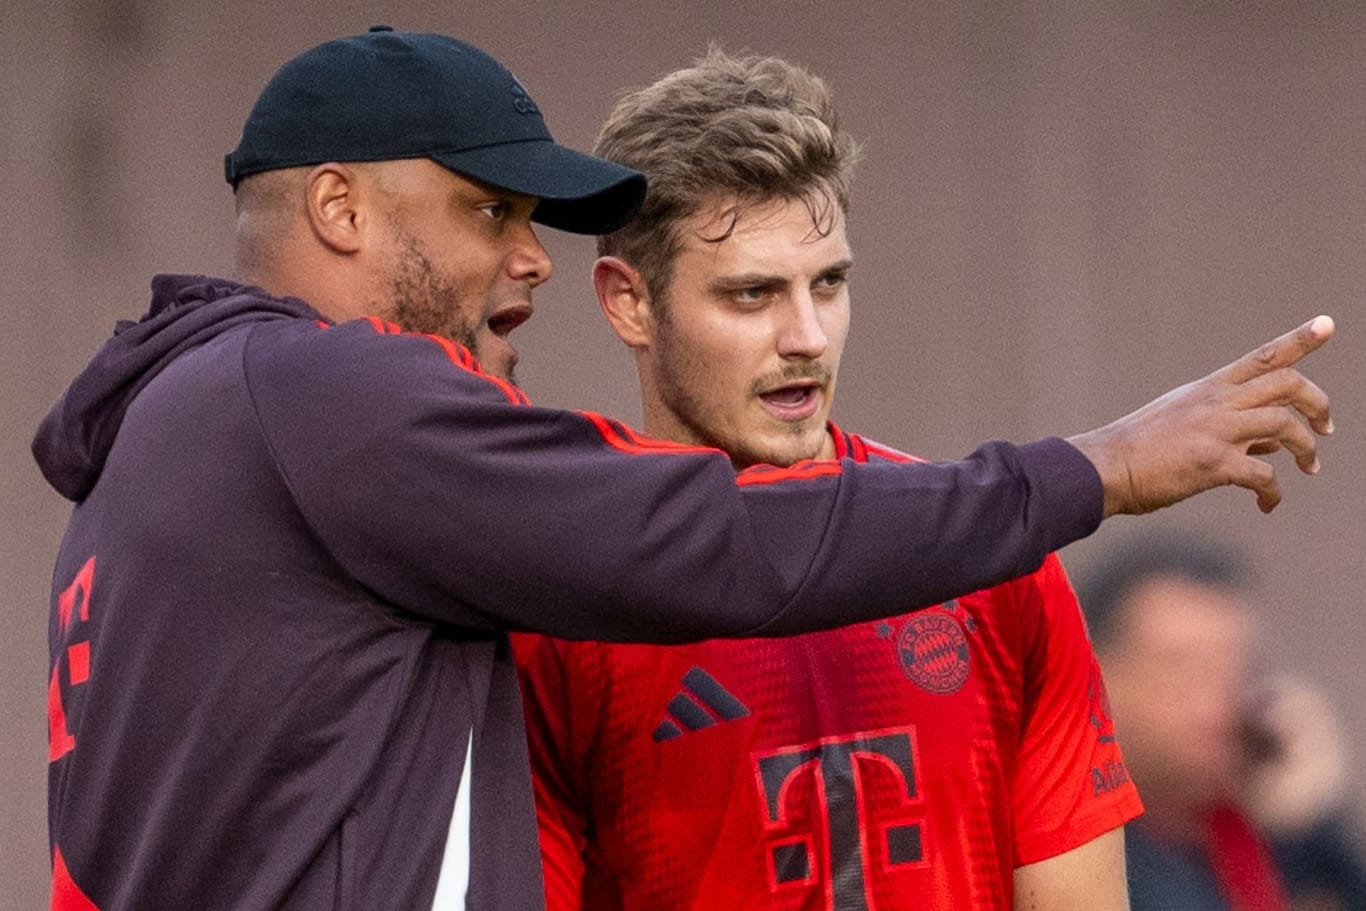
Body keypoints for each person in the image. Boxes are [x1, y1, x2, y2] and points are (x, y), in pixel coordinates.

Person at [33, 26, 1332, 911]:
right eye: (490, 210)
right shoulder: (327, 391)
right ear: (339, 209)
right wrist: (1094, 465)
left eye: (829, 283)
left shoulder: (163, 440)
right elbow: (706, 536)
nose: (524, 255)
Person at [513, 49, 1139, 911]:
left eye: (830, 283)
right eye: (751, 294)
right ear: (628, 301)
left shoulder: (997, 563)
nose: (806, 334)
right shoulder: (558, 605)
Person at [1077, 532, 1366, 911]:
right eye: (1180, 669)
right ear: (1097, 674)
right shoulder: (1072, 848)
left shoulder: (1259, 825)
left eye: (1233, 668)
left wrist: (1316, 823)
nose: (1214, 704)